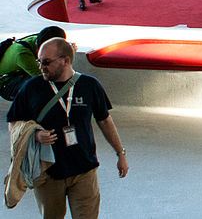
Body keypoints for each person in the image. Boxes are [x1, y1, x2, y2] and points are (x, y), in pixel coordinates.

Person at [6, 37, 129, 218]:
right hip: (48, 173)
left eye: (46, 62)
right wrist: (36, 134)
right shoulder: (32, 88)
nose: (41, 67)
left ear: (65, 60)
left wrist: (120, 154)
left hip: (84, 170)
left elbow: (104, 120)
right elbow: (13, 123)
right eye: (39, 62)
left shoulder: (90, 85)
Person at [0, 26, 66, 102]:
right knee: (41, 84)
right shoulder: (23, 54)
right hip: (6, 86)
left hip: (20, 73)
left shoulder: (37, 39)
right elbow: (44, 77)